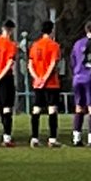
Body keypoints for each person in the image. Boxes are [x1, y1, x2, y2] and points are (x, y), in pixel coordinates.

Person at [28, 20, 63, 148]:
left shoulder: (35, 45)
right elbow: (53, 64)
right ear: (52, 30)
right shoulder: (54, 46)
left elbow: (30, 64)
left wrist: (37, 78)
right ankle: (52, 139)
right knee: (52, 109)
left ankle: (34, 138)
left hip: (37, 83)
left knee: (36, 108)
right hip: (51, 83)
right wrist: (45, 79)